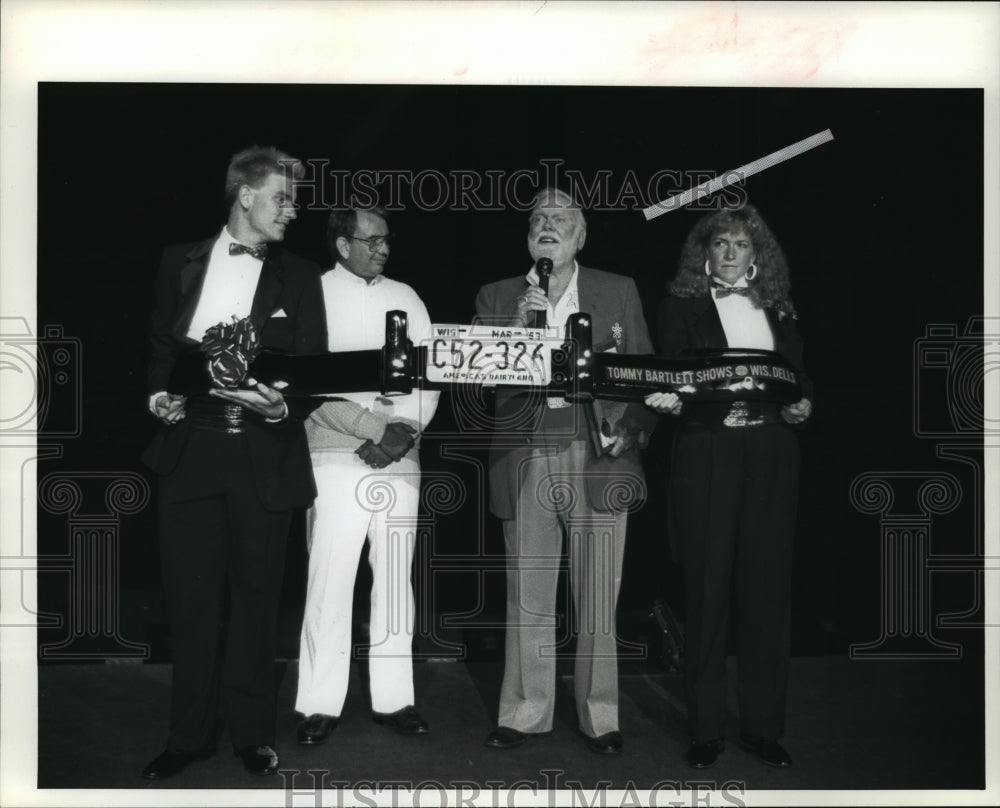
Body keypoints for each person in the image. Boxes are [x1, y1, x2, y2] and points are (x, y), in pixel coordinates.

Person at [141, 145, 331, 779]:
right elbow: (161, 347)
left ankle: (252, 735)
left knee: (255, 601)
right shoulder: (179, 261)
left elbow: (311, 372)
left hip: (262, 455)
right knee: (191, 603)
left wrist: (280, 409)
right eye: (283, 197)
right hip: (190, 451)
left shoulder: (301, 276)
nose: (293, 210)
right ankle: (187, 735)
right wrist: (159, 395)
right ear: (245, 196)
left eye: (295, 199)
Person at [474, 188, 657, 755]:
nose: (546, 226)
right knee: (527, 593)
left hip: (596, 457)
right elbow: (482, 378)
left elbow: (646, 374)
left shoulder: (616, 289)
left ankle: (600, 716)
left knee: (598, 594)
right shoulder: (498, 294)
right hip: (526, 453)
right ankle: (526, 711)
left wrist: (631, 425)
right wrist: (519, 323)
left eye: (559, 220)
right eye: (537, 220)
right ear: (529, 238)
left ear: (580, 236)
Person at [644, 204, 812, 770]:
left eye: (743, 243)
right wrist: (667, 399)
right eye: (722, 243)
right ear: (706, 252)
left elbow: (798, 377)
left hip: (770, 454)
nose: (733, 252)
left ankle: (763, 729)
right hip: (708, 451)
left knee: (767, 591)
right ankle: (706, 730)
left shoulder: (780, 309)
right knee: (707, 591)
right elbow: (669, 375)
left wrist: (803, 402)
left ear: (757, 255)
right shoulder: (680, 306)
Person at [293, 207, 440, 745]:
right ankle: (318, 703)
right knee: (329, 579)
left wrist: (404, 431)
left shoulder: (408, 296)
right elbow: (305, 385)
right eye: (370, 240)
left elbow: (431, 374)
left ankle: (395, 698)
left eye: (386, 240)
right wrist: (376, 428)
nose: (382, 248)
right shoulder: (311, 294)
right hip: (335, 454)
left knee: (396, 582)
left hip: (400, 457)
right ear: (341, 244)